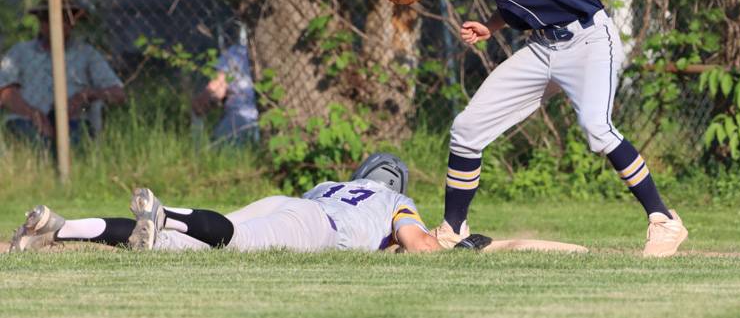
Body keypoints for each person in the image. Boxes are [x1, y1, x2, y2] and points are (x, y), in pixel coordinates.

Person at [427, 0, 688, 258]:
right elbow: (520, 2)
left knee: (597, 130)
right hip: (544, 47)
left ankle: (665, 221)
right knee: (467, 129)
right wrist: (491, 25)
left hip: (588, 41)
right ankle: (452, 229)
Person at [9, 152, 442, 253]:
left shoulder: (332, 184)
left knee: (174, 246)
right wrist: (447, 245)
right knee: (234, 241)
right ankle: (167, 214)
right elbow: (417, 244)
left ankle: (58, 228)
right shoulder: (393, 198)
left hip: (288, 201)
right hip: (317, 225)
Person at [0, 0, 126, 147]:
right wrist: (34, 115)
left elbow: (118, 93)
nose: (55, 24)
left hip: (74, 121)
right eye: (48, 19)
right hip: (26, 120)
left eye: (63, 19)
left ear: (71, 23)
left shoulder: (86, 53)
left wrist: (83, 96)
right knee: (32, 141)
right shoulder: (20, 51)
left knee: (74, 142)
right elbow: (5, 92)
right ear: (41, 23)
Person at [191, 39, 259, 145]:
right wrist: (204, 99)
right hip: (239, 117)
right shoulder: (238, 52)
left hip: (258, 118)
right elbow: (219, 84)